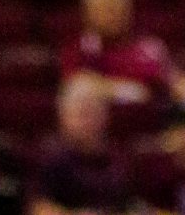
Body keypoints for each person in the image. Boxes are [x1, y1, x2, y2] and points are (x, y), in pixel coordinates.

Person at [30, 73, 135, 215]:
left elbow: (128, 205)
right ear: (63, 116)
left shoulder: (118, 157)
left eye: (94, 111)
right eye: (82, 113)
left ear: (106, 115)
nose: (88, 121)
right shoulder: (48, 157)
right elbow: (39, 208)